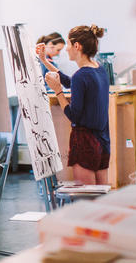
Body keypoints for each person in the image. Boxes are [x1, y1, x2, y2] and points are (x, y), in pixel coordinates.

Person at [44, 24, 110, 184]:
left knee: (88, 200)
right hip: (103, 142)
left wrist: (58, 91)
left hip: (85, 143)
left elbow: (74, 116)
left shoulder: (81, 76)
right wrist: (43, 60)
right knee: (100, 199)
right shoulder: (99, 70)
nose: (66, 49)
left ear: (77, 46)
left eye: (67, 44)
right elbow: (71, 82)